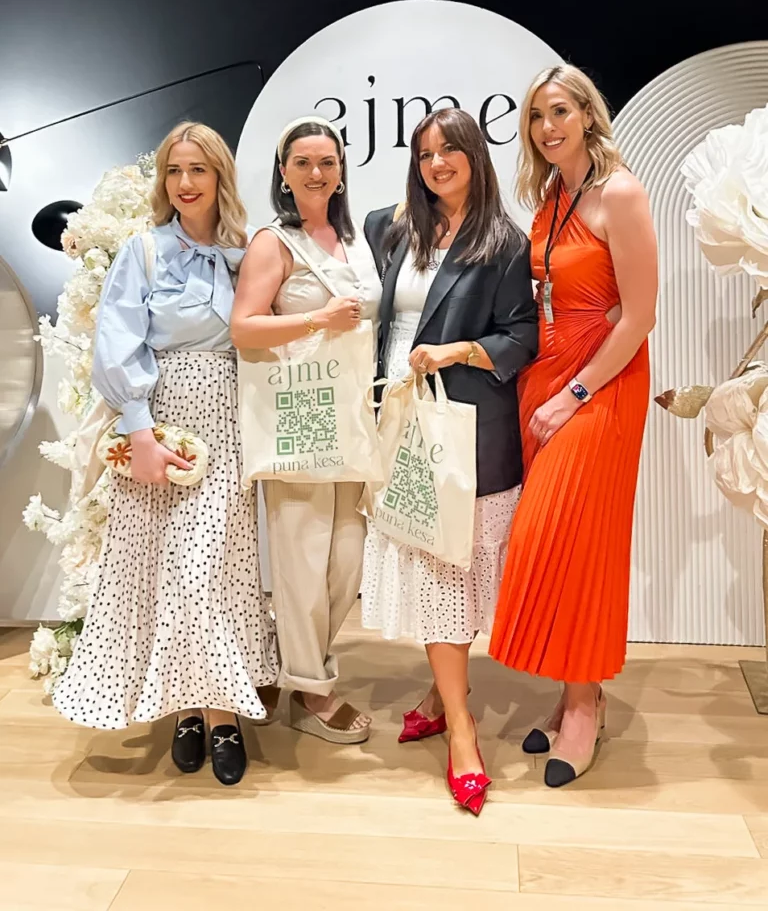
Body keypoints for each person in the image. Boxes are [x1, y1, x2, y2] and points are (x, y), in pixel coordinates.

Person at [54, 122, 278, 787]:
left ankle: (221, 716)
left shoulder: (247, 251)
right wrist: (140, 433)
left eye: (198, 170)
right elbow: (117, 342)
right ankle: (184, 711)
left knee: (212, 573)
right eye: (174, 171)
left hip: (229, 425)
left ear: (220, 177)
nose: (185, 183)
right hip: (161, 425)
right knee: (164, 571)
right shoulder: (144, 251)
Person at [362, 108, 538, 814]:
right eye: (425, 153)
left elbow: (522, 336)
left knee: (453, 570)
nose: (437, 164)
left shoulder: (503, 242)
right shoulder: (391, 228)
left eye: (449, 150)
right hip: (401, 420)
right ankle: (448, 702)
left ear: (475, 155)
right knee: (432, 563)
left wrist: (458, 351)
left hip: (466, 425)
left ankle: (458, 725)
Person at [490, 64, 657, 787]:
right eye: (535, 116)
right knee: (566, 547)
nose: (546, 127)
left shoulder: (620, 193)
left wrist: (577, 392)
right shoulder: (552, 197)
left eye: (559, 111)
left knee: (564, 539)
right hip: (547, 379)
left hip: (602, 383)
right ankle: (573, 693)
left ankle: (584, 708)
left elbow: (640, 316)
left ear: (588, 114)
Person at [230, 116, 381, 744]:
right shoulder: (274, 242)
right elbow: (243, 327)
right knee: (301, 561)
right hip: (299, 418)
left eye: (327, 161)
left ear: (341, 171)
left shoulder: (356, 238)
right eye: (303, 162)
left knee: (347, 560)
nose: (316, 172)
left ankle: (284, 664)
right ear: (284, 173)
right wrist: (318, 319)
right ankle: (313, 688)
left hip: (353, 419)